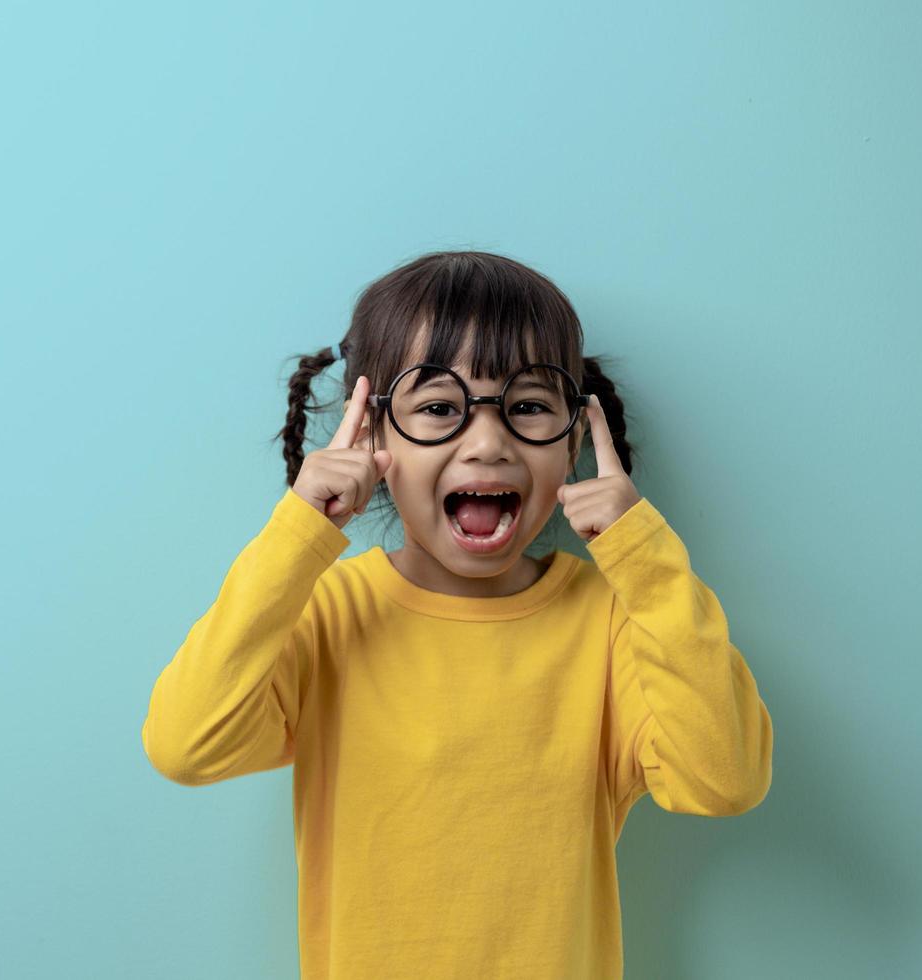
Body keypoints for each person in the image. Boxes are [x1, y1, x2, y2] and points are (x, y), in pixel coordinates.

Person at [140, 250, 774, 979]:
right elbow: (186, 746)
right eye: (439, 408)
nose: (487, 443)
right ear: (373, 436)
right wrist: (296, 536)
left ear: (572, 438)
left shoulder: (612, 620)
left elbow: (723, 780)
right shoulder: (328, 614)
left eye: (530, 406)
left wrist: (646, 560)